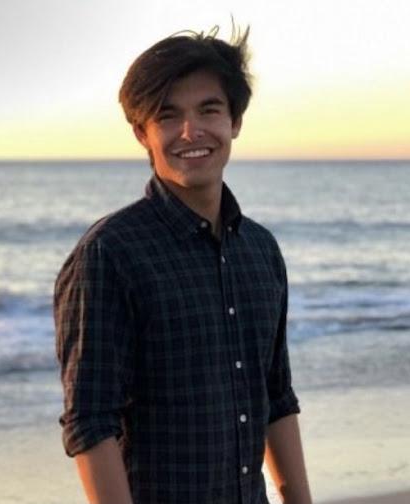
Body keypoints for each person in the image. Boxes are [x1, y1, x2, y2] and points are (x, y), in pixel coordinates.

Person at [54, 26, 312, 504]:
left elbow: (276, 396)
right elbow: (90, 423)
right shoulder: (109, 254)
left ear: (235, 121)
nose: (191, 132)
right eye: (167, 116)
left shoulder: (260, 250)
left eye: (208, 110)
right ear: (142, 133)